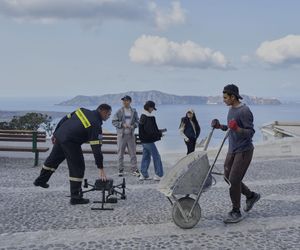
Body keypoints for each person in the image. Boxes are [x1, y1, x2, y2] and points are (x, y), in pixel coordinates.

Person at [33, 104, 112, 205]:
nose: (108, 117)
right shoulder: (95, 124)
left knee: (53, 160)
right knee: (78, 167)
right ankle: (75, 197)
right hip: (71, 142)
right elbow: (96, 149)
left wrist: (56, 133)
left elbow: (65, 119)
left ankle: (40, 180)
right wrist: (100, 168)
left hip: (61, 135)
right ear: (103, 112)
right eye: (108, 115)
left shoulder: (82, 110)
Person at [211, 84, 260, 223]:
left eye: (226, 97)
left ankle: (236, 211)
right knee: (228, 177)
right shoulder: (231, 109)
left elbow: (250, 133)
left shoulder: (244, 111)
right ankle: (251, 196)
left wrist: (237, 129)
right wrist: (220, 126)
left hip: (244, 150)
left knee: (234, 180)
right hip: (232, 149)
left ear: (233, 97)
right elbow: (231, 128)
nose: (224, 100)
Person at [112, 95, 140, 177]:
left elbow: (138, 121)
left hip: (131, 135)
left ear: (130, 101)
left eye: (126, 100)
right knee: (120, 153)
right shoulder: (119, 111)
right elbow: (114, 121)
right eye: (123, 100)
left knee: (133, 153)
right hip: (121, 136)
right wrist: (122, 124)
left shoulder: (134, 111)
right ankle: (120, 170)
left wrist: (133, 126)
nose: (124, 102)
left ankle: (134, 170)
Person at [138, 100, 165, 181]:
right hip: (149, 141)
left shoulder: (142, 116)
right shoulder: (149, 117)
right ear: (149, 107)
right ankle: (158, 175)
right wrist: (159, 134)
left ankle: (143, 174)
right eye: (152, 108)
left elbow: (145, 130)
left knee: (146, 157)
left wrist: (158, 132)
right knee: (156, 156)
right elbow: (150, 130)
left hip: (143, 140)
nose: (153, 110)